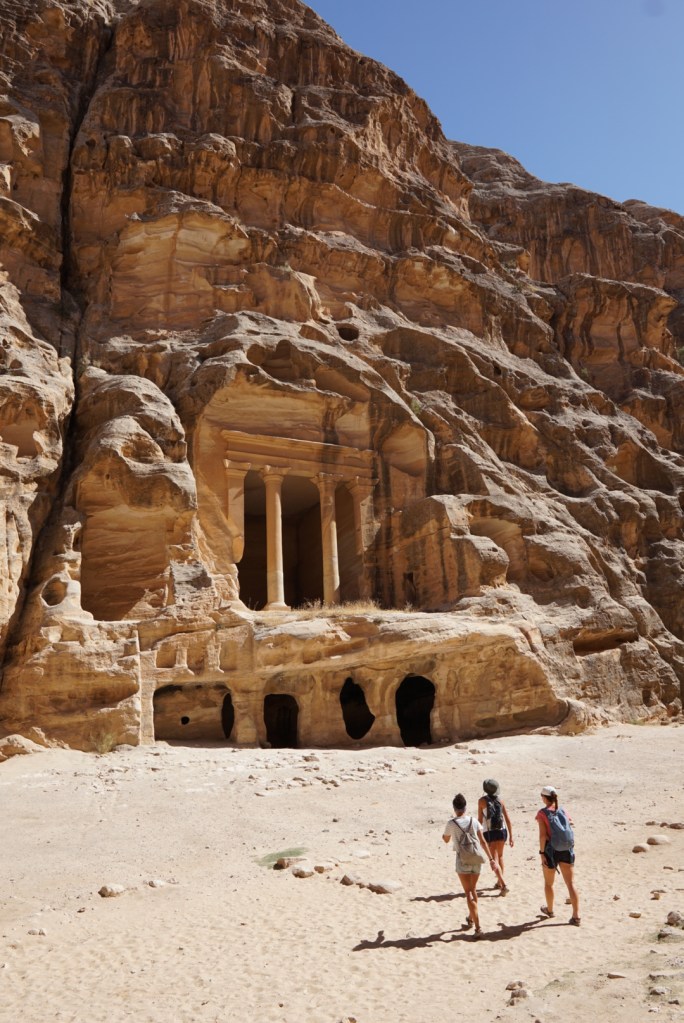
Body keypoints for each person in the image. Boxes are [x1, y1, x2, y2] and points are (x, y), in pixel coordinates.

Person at [443, 792, 503, 937]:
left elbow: (446, 839)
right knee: (473, 890)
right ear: (465, 807)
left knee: (468, 892)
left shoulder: (451, 823)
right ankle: (471, 917)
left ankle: (478, 928)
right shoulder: (473, 821)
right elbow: (482, 841)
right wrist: (491, 859)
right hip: (476, 858)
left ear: (454, 808)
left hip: (462, 860)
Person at [536, 784, 580, 926]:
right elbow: (570, 823)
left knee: (549, 883)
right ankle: (576, 916)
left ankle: (550, 910)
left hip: (551, 850)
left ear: (544, 798)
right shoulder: (563, 810)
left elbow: (543, 836)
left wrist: (542, 852)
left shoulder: (542, 813)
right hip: (566, 849)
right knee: (571, 883)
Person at [477, 778, 513, 893]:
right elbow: (507, 819)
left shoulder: (481, 801)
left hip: (489, 833)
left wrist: (478, 835)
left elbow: (479, 820)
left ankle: (503, 884)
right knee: (500, 857)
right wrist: (511, 836)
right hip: (502, 831)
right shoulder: (501, 801)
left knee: (494, 858)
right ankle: (499, 882)